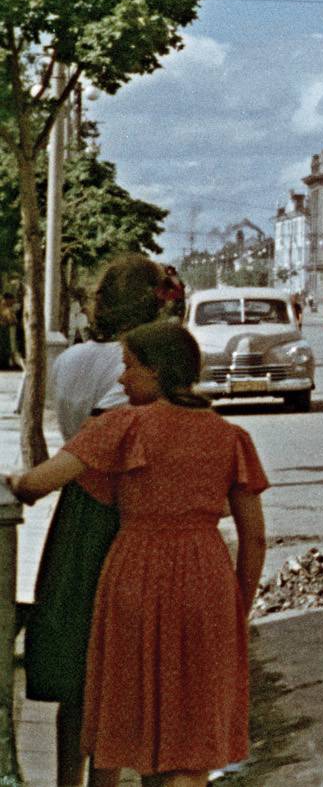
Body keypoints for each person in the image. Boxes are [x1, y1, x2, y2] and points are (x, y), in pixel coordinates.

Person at [7, 322, 268, 787]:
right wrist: (238, 609)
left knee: (127, 719)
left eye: (129, 367)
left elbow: (38, 485)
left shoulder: (122, 425)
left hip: (136, 576)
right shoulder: (230, 437)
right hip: (206, 579)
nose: (122, 380)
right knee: (188, 735)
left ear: (157, 372)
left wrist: (14, 483)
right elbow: (255, 540)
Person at [27, 255, 166, 787]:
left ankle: (68, 780)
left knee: (79, 663)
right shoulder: (137, 368)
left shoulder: (73, 359)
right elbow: (117, 442)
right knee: (120, 662)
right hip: (120, 513)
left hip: (76, 512)